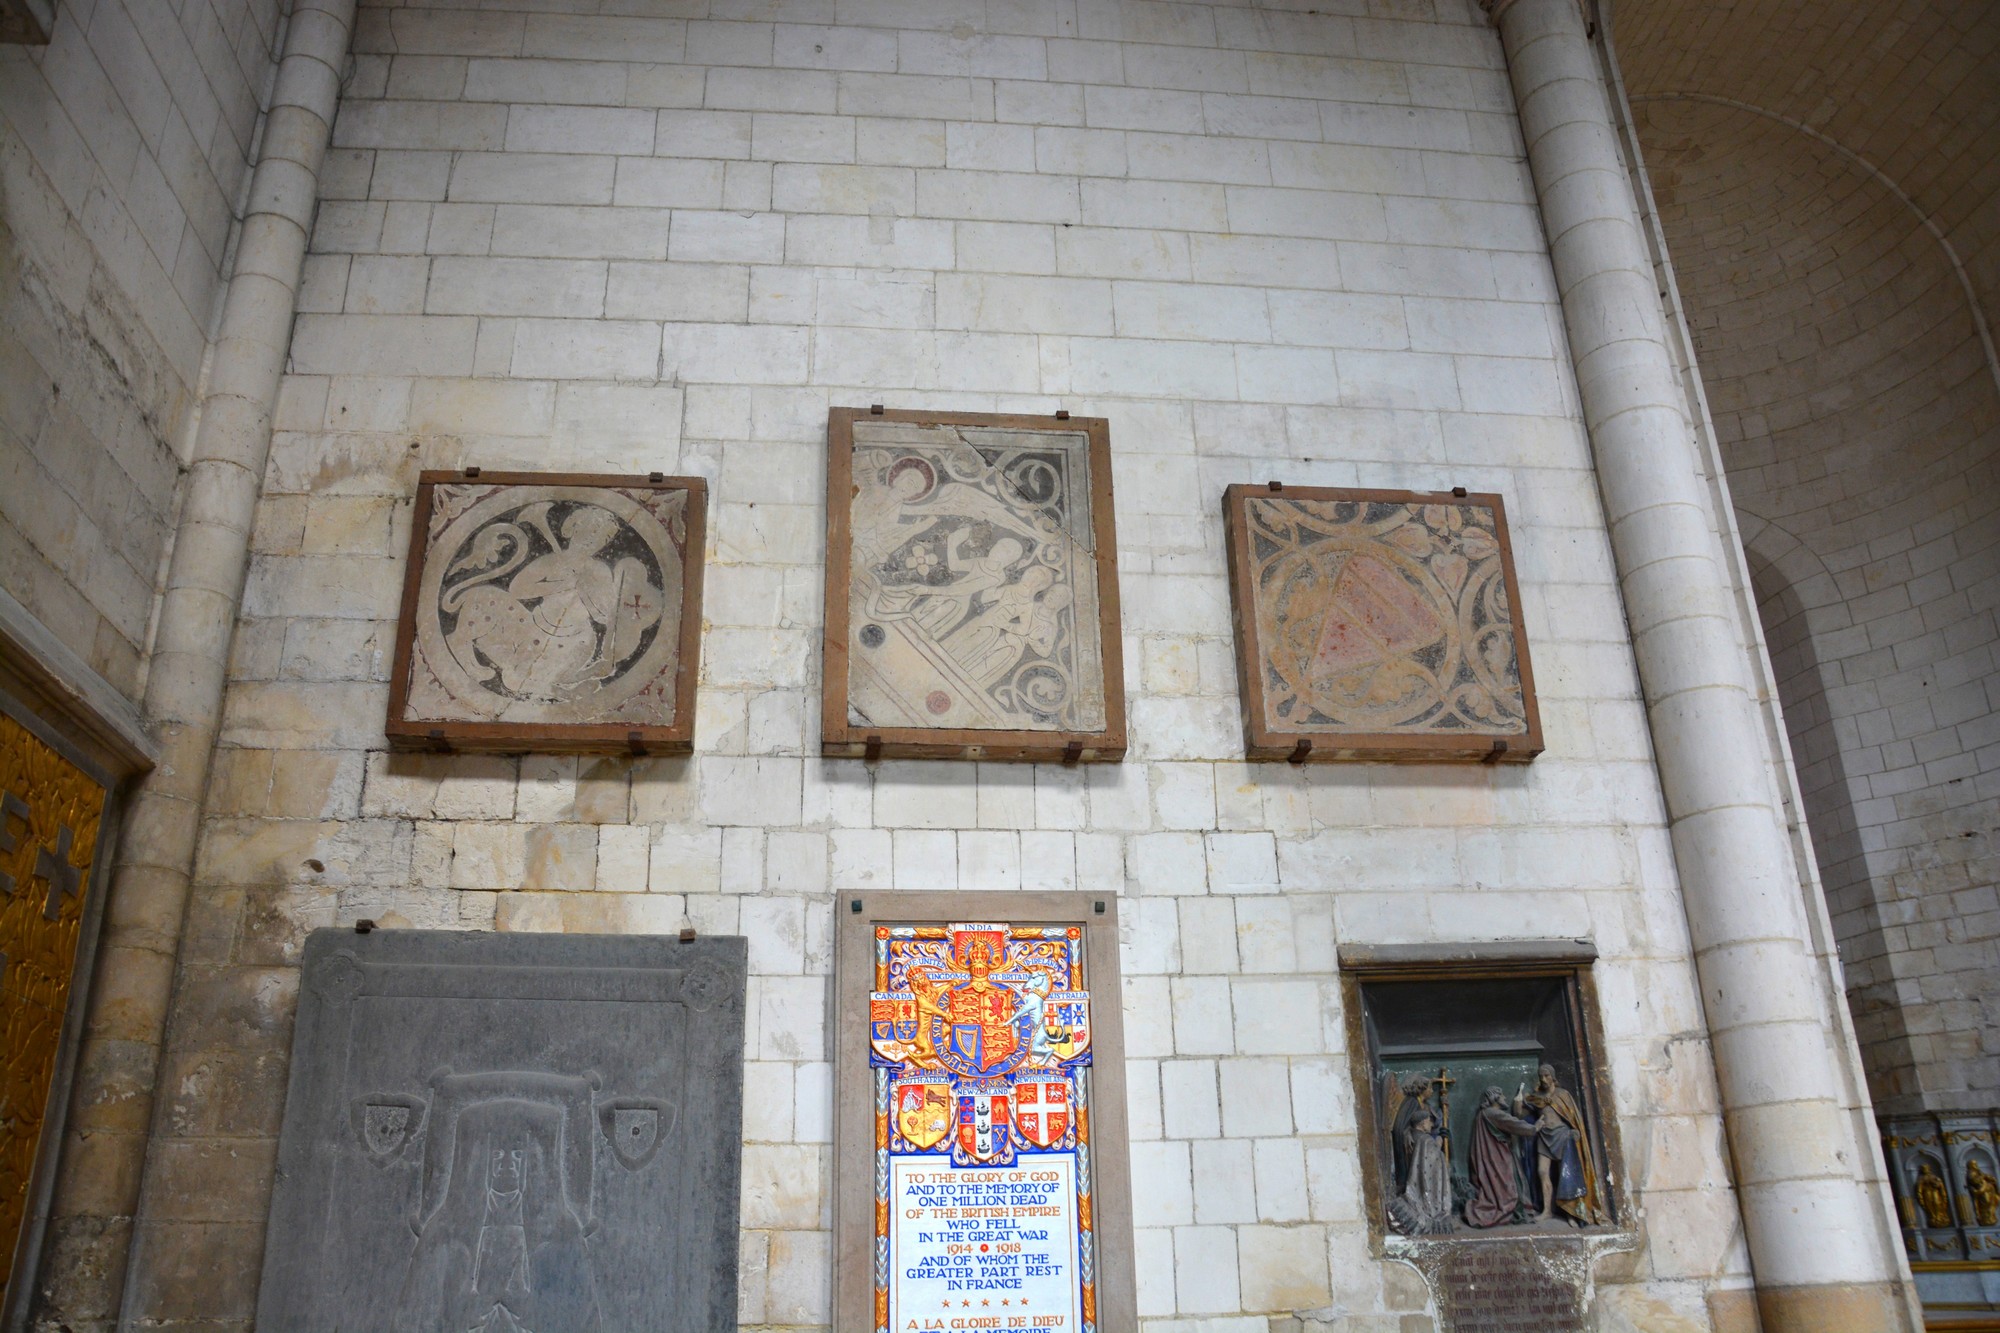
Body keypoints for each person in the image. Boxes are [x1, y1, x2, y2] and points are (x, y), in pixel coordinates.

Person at [1515, 1064, 1604, 1226]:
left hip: (1562, 1136)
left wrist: (1574, 1131)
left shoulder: (1562, 1095)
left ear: (1553, 1076)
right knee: (1542, 1171)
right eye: (1541, 1076)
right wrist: (1518, 1102)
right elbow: (1520, 1115)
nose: (1543, 1079)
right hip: (1544, 1136)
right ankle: (1547, 1211)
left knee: (1565, 1174)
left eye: (1547, 1075)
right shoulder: (1537, 1097)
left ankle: (1570, 1212)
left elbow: (1572, 1117)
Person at [1386, 1075, 1454, 1236]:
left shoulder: (1425, 1105)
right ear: (1422, 1089)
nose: (1431, 1091)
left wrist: (1445, 1108)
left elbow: (1434, 1121)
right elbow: (1400, 1127)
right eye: (1430, 1088)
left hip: (1427, 1148)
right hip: (1414, 1149)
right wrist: (1408, 1134)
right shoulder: (1411, 1103)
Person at [1464, 1086, 1537, 1228]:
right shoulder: (1493, 1113)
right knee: (1509, 1184)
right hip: (1498, 1156)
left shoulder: (1483, 1113)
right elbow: (1513, 1123)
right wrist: (1534, 1127)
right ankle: (1510, 1209)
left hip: (1491, 1155)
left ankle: (1515, 1208)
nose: (1505, 1098)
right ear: (1495, 1098)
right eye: (1502, 1095)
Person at [1916, 1159, 1954, 1228]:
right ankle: (1934, 1217)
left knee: (1937, 1203)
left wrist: (1937, 1184)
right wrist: (1920, 1197)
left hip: (1935, 1192)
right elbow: (1919, 1189)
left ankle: (1940, 1216)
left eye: (1926, 1168)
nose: (1925, 1170)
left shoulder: (1934, 1177)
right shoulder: (1922, 1178)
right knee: (1930, 1205)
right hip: (1927, 1194)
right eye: (1924, 1169)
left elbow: (1940, 1185)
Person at [1967, 1158, 1998, 1227]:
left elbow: (1988, 1178)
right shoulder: (1971, 1173)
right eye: (1974, 1164)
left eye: (1976, 1164)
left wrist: (1990, 1178)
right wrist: (1983, 1176)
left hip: (1989, 1191)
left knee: (1991, 1205)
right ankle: (1986, 1219)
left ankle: (1992, 1218)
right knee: (1985, 1204)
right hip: (1981, 1192)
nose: (1976, 1165)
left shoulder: (1979, 1172)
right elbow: (1974, 1181)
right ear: (1971, 1165)